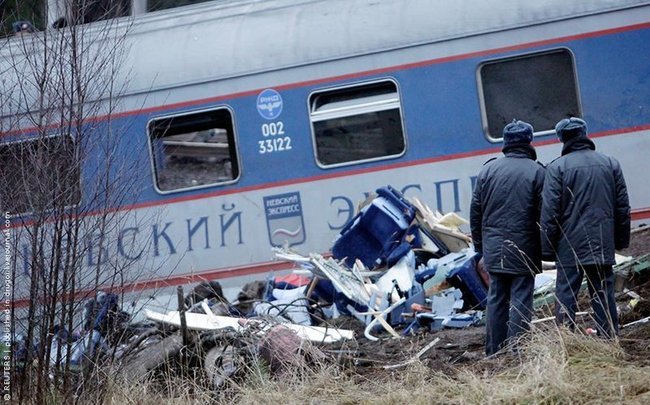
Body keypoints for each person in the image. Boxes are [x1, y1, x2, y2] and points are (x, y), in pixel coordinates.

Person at [540, 117, 630, 338]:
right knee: (603, 291)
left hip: (568, 245)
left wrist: (547, 249)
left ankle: (565, 339)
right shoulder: (610, 163)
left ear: (562, 139)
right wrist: (620, 241)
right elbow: (622, 207)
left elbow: (549, 213)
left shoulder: (556, 168)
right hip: (601, 241)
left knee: (566, 293)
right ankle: (609, 339)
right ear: (584, 133)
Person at [470, 120, 545, 356]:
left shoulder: (488, 170)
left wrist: (481, 247)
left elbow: (476, 212)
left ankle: (494, 352)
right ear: (528, 141)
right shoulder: (537, 171)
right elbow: (545, 214)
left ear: (505, 142)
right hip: (525, 248)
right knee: (522, 298)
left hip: (493, 247)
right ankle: (518, 351)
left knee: (496, 299)